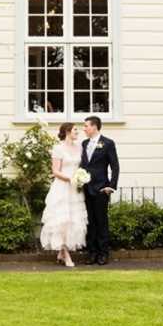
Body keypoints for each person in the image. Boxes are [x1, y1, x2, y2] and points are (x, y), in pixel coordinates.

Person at [39, 122, 88, 268]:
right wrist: (70, 179)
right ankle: (66, 255)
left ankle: (62, 252)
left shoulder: (79, 147)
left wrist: (80, 177)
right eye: (75, 130)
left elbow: (80, 166)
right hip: (62, 188)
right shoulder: (58, 148)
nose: (77, 132)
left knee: (73, 220)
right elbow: (55, 171)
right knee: (62, 221)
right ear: (67, 131)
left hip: (75, 189)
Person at [80, 115, 119, 265]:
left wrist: (111, 186)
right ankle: (92, 253)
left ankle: (103, 253)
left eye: (86, 126)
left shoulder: (108, 143)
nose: (84, 129)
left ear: (94, 127)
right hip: (86, 188)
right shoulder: (84, 143)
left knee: (101, 222)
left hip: (102, 188)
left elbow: (115, 166)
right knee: (90, 222)